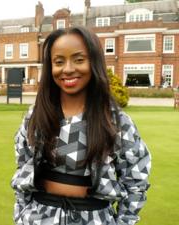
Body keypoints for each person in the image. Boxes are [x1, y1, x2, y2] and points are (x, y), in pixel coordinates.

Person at [11, 26, 151, 225]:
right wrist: (22, 214)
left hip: (94, 218)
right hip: (38, 217)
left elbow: (137, 179)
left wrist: (123, 221)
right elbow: (22, 166)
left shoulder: (116, 122)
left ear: (94, 62)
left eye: (78, 59)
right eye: (59, 62)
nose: (68, 69)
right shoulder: (35, 117)